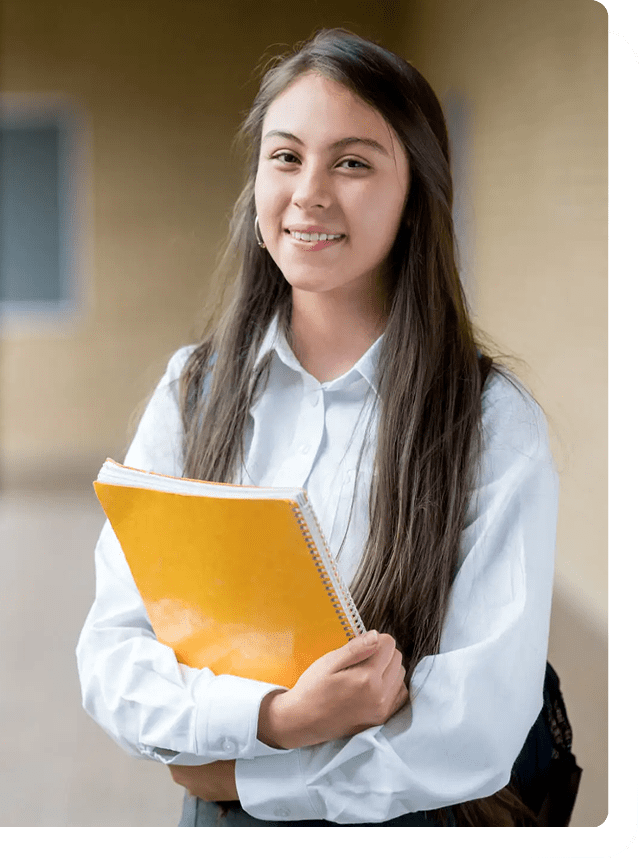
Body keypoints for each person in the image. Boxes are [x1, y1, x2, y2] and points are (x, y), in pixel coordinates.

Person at [76, 28, 563, 826]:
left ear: (415, 199)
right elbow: (113, 655)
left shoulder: (488, 419)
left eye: (352, 161)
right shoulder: (193, 391)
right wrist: (278, 721)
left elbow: (471, 728)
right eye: (285, 156)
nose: (308, 193)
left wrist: (242, 775)